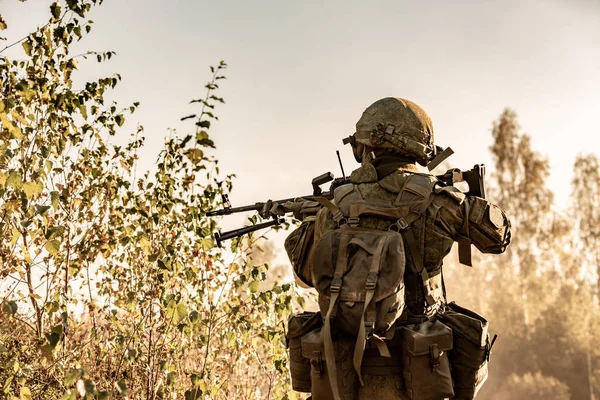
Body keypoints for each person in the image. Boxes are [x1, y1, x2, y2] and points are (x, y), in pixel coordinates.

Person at [285, 97, 511, 400]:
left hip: (347, 381)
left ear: (364, 146)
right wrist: (465, 195)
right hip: (421, 373)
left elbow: (304, 278)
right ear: (420, 148)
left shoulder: (335, 206)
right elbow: (498, 238)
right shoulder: (439, 201)